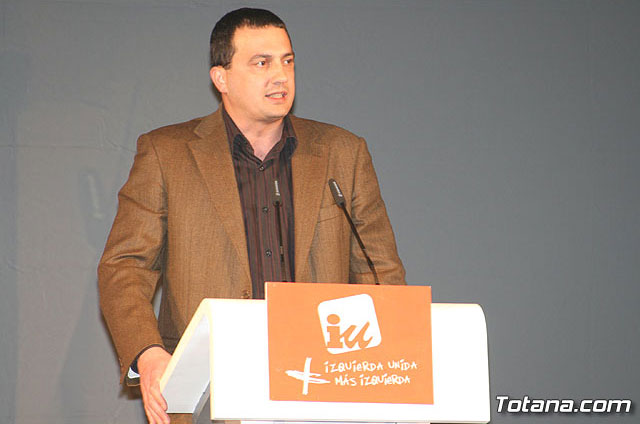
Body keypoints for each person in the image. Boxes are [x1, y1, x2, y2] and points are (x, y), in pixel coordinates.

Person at [98, 7, 405, 424]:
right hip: (210, 393)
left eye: (287, 61)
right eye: (262, 63)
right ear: (221, 78)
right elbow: (125, 266)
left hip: (323, 389)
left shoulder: (343, 152)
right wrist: (149, 354)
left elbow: (380, 271)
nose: (280, 76)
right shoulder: (167, 154)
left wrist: (385, 368)